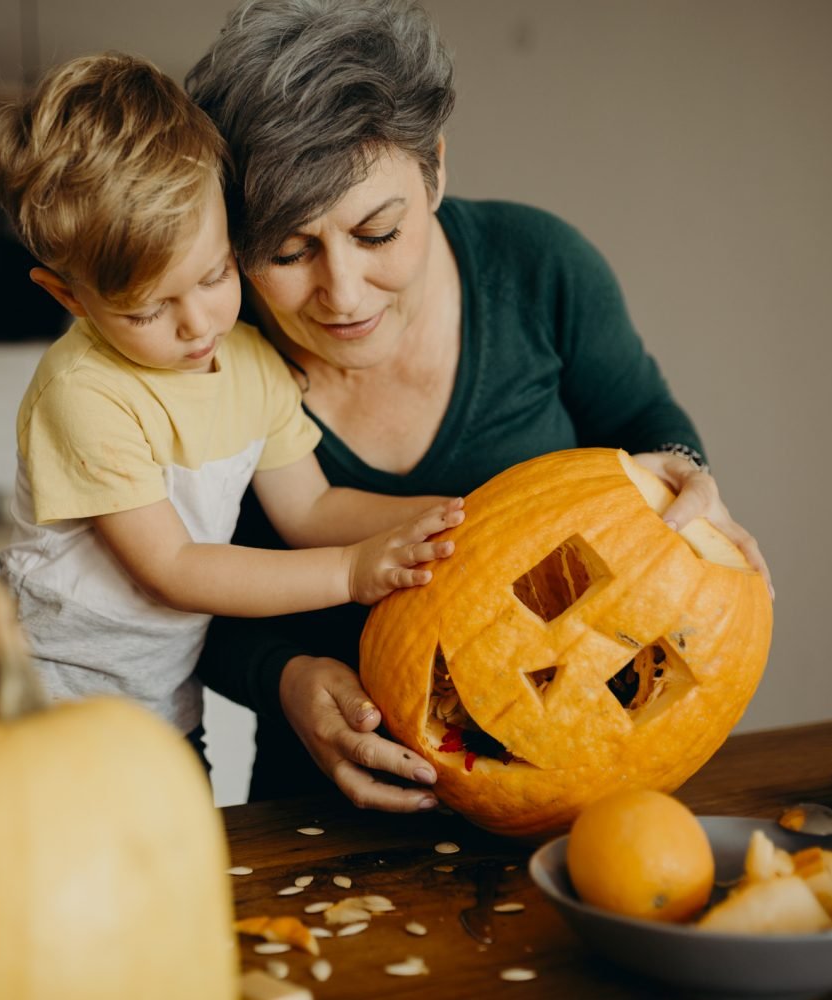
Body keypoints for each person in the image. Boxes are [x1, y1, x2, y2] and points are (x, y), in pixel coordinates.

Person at [186, 0, 773, 810]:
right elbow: (169, 592)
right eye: (288, 252)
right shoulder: (203, 346)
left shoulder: (540, 267)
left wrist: (690, 476)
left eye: (377, 233)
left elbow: (646, 425)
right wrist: (285, 679)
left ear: (434, 168)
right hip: (315, 808)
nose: (343, 293)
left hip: (572, 802)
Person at [0, 52, 465, 762]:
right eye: (148, 310)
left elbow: (312, 508)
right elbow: (172, 568)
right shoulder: (84, 394)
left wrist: (460, 521)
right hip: (45, 712)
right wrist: (350, 573)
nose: (199, 324)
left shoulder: (250, 362)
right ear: (67, 295)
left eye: (216, 274)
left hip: (163, 710)